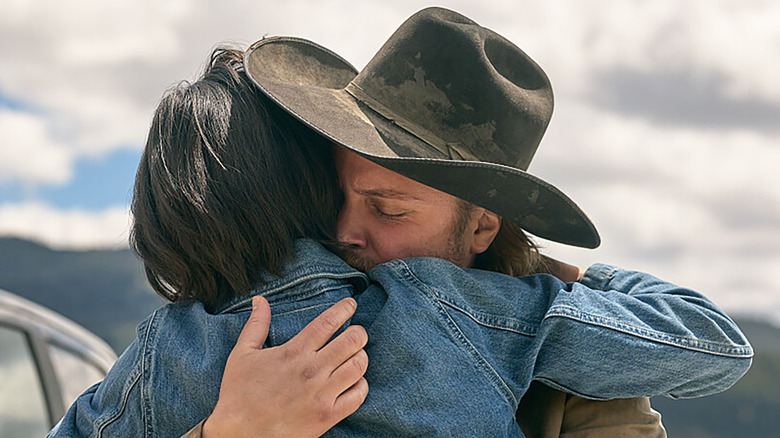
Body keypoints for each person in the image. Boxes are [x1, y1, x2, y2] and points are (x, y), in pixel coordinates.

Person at [48, 10, 751, 438]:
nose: (349, 232)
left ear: (481, 228)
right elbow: (713, 343)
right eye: (338, 197)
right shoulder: (481, 315)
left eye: (388, 209)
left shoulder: (175, 343)